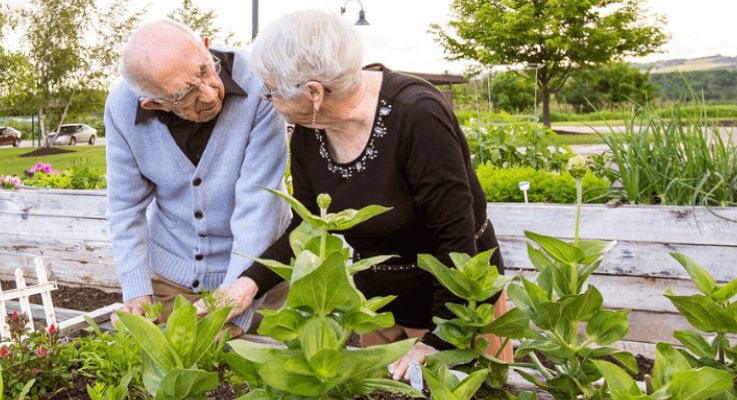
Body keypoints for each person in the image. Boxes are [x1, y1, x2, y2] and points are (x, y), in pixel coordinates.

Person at [211, 10, 511, 379]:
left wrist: (441, 340)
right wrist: (249, 282)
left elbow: (455, 238)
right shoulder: (310, 129)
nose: (267, 99)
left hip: (457, 305)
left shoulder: (417, 115)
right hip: (381, 305)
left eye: (270, 90)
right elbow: (307, 225)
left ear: (314, 92)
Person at [103, 19, 290, 334]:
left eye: (205, 71)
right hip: (171, 276)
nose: (209, 94)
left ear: (203, 48)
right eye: (186, 94)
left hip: (255, 278)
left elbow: (259, 206)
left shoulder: (260, 84)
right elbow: (125, 208)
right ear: (154, 104)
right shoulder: (121, 109)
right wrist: (137, 292)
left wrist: (233, 309)